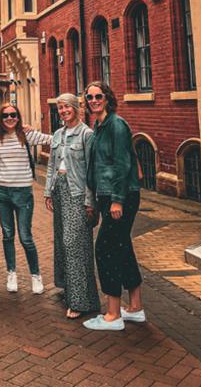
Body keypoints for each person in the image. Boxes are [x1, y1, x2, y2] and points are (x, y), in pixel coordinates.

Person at [83, 82, 145, 331]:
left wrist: (117, 200)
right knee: (123, 247)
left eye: (99, 96)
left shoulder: (116, 125)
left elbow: (121, 164)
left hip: (120, 195)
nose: (94, 100)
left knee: (105, 249)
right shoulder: (99, 125)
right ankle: (135, 307)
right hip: (108, 194)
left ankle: (112, 314)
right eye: (90, 97)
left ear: (107, 98)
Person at [44, 93, 100, 318]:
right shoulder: (58, 134)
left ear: (76, 108)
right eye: (60, 108)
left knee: (75, 243)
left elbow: (91, 172)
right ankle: (69, 289)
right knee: (61, 241)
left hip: (77, 193)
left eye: (67, 107)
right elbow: (51, 165)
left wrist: (90, 201)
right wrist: (48, 191)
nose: (63, 111)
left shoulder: (87, 134)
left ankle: (80, 302)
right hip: (59, 190)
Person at [0, 103, 52, 294]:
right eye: (5, 116)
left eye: (13, 115)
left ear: (18, 117)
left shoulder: (26, 135)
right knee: (7, 235)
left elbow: (53, 140)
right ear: (1, 120)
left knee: (26, 237)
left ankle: (36, 275)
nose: (10, 118)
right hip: (2, 192)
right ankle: (11, 273)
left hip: (23, 193)